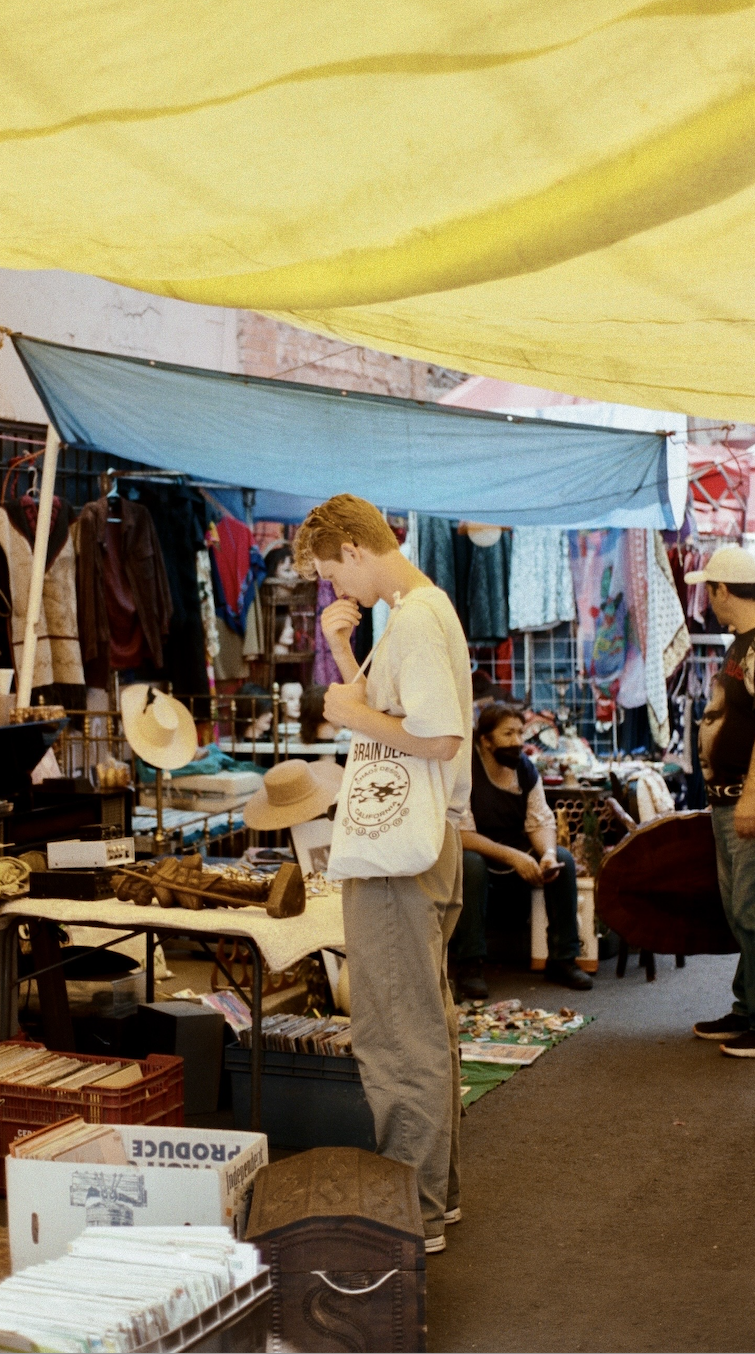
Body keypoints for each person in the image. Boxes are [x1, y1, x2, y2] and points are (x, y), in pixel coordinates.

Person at [293, 494, 471, 1255]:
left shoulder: (420, 616)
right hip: (413, 846)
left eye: (333, 571)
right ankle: (437, 1196)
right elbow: (398, 725)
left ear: (355, 549)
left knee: (398, 1037)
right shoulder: (412, 613)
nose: (336, 588)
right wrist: (343, 658)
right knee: (420, 1026)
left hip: (404, 855)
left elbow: (435, 738)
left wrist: (347, 711)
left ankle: (418, 1211)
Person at [452, 703, 592, 1001]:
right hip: (480, 850)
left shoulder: (526, 770)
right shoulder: (464, 771)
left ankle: (562, 959)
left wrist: (548, 855)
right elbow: (462, 835)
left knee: (564, 859)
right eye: (508, 734)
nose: (517, 741)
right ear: (485, 741)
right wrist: (514, 857)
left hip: (518, 848)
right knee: (470, 864)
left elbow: (540, 821)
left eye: (520, 733)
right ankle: (470, 965)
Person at [685, 545, 755, 1057]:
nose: (706, 598)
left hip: (745, 801)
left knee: (751, 911)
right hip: (727, 800)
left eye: (708, 588)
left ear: (721, 589)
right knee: (740, 911)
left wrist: (751, 796)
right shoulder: (741, 646)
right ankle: (745, 1009)